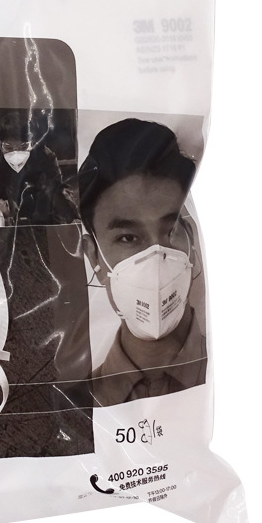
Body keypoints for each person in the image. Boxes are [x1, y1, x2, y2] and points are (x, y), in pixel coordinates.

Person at [78, 118, 207, 407]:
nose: (156, 256)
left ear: (192, 241)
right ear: (94, 256)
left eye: (170, 230)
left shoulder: (235, 377)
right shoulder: (77, 407)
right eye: (128, 238)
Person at [0, 111, 77, 227]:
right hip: (10, 222)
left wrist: (58, 200)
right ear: (0, 145)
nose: (16, 153)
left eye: (23, 147)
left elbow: (57, 192)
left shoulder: (45, 157)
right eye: (8, 147)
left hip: (41, 218)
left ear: (32, 143)